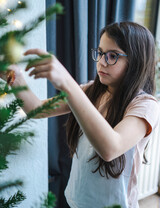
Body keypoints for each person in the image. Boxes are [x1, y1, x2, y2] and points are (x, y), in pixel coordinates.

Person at [3, 22, 160, 208]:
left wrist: (66, 82)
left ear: (136, 61)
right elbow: (37, 109)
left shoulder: (145, 105)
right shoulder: (92, 91)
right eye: (100, 53)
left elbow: (110, 148)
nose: (101, 62)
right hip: (79, 200)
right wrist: (15, 78)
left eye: (112, 56)